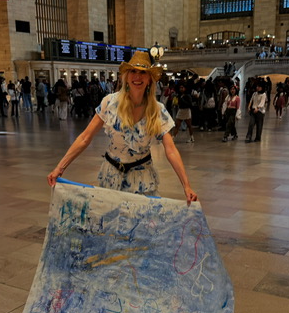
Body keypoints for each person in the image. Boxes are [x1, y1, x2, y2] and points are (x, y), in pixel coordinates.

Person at [47, 51, 197, 205]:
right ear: (126, 76)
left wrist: (186, 186)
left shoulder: (157, 111)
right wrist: (60, 167)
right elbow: (85, 137)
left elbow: (171, 150)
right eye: (133, 71)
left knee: (141, 226)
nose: (137, 77)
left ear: (149, 80)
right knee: (112, 225)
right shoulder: (110, 103)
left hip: (142, 179)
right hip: (111, 176)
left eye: (142, 73)